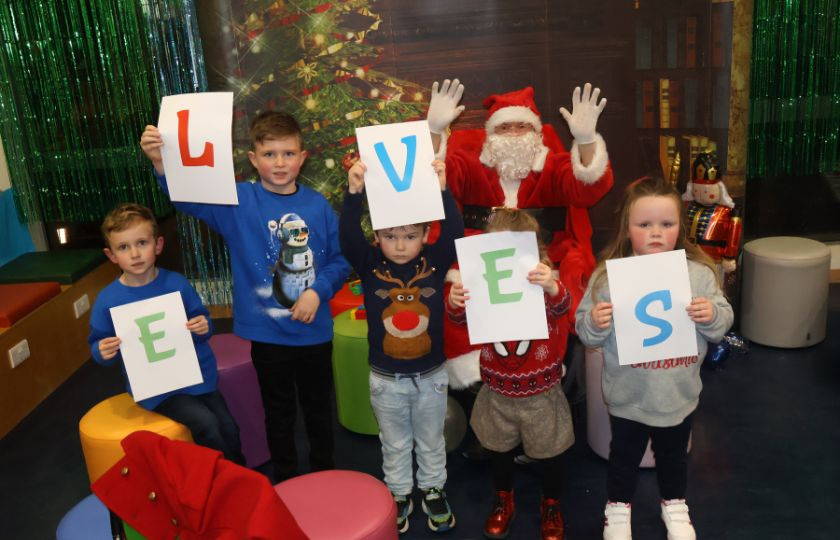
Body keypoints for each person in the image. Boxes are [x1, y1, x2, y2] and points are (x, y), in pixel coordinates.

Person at [140, 112, 351, 482]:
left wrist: (318, 293)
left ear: (302, 158)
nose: (280, 163)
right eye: (270, 154)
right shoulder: (238, 201)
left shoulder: (318, 205)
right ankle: (286, 480)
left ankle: (325, 477)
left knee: (319, 409)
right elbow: (189, 200)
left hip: (314, 332)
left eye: (288, 154)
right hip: (267, 336)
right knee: (279, 412)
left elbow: (341, 258)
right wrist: (160, 163)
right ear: (254, 159)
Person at [425, 79, 614, 393]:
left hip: (544, 254)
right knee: (458, 289)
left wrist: (586, 140)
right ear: (490, 135)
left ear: (537, 134)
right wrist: (433, 132)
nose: (513, 135)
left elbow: (587, 187)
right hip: (482, 254)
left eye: (522, 127)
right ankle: (475, 372)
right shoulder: (471, 165)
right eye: (504, 128)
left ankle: (546, 364)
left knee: (560, 286)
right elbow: (435, 177)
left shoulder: (553, 166)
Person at [574, 176, 733, 540]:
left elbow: (722, 323)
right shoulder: (607, 278)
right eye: (644, 225)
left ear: (681, 228)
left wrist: (711, 315)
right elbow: (585, 330)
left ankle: (674, 504)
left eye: (667, 224)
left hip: (678, 394)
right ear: (628, 230)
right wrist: (596, 323)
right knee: (623, 458)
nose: (656, 233)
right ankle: (617, 508)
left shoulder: (700, 274)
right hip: (628, 396)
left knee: (674, 457)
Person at [339, 159, 464, 534]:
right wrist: (353, 193)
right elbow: (347, 236)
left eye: (409, 236)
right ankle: (398, 492)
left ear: (425, 236)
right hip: (386, 379)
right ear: (377, 237)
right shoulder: (369, 262)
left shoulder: (436, 261)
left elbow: (455, 231)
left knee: (430, 440)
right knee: (394, 443)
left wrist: (443, 188)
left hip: (431, 377)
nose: (399, 244)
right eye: (390, 236)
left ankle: (433, 488)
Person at [446, 208, 574, 540]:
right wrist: (457, 303)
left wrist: (552, 286)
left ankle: (551, 503)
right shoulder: (482, 286)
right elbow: (461, 322)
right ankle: (504, 497)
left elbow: (563, 308)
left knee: (550, 453)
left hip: (542, 390)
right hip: (498, 389)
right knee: (498, 449)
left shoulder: (540, 284)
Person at [89, 203, 244, 465]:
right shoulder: (108, 300)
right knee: (207, 425)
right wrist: (102, 351)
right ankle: (228, 484)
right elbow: (99, 345)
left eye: (142, 242)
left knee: (229, 427)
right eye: (124, 247)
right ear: (111, 255)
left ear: (158, 245)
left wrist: (202, 327)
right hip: (159, 390)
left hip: (197, 377)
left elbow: (202, 320)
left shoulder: (177, 284)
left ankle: (241, 480)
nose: (135, 253)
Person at [681, 151, 742, 281]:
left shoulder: (726, 212)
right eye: (697, 190)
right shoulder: (686, 206)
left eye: (707, 191)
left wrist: (730, 257)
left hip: (713, 259)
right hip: (687, 256)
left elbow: (733, 236)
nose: (702, 194)